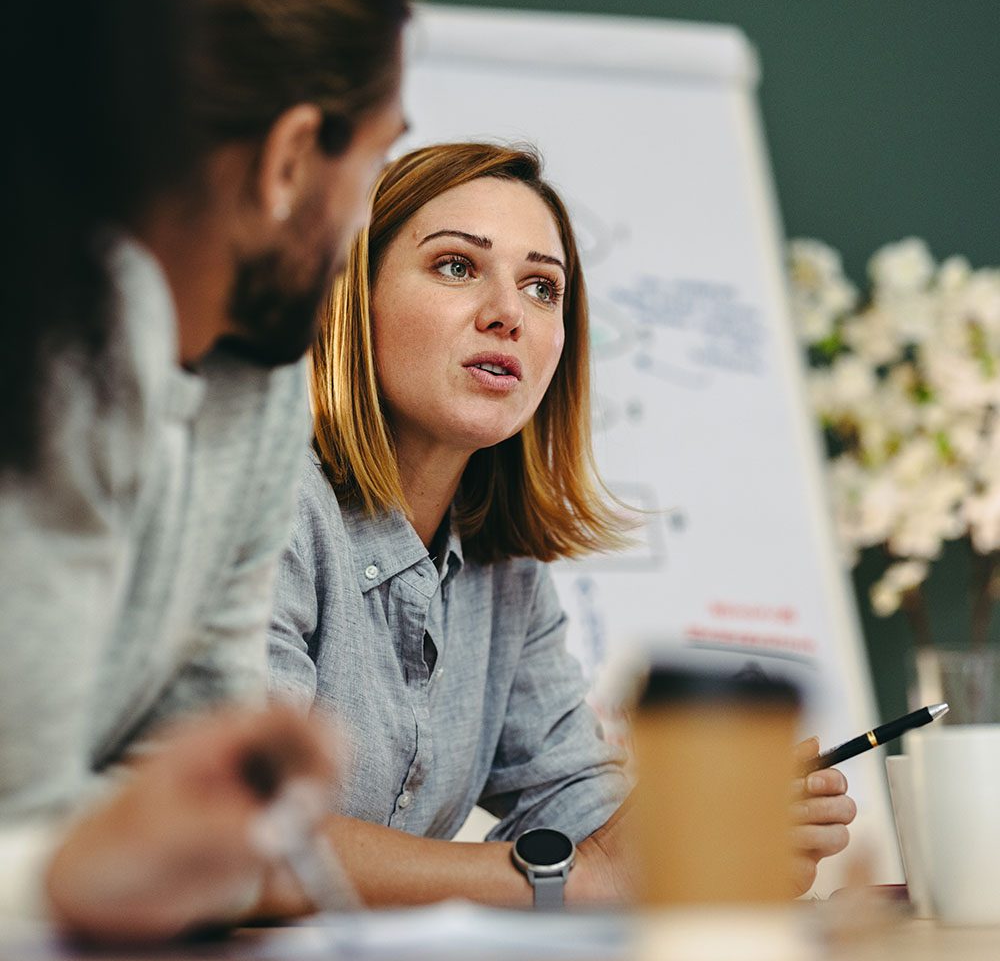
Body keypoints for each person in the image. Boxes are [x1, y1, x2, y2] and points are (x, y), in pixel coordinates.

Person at [268, 142, 856, 906]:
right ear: (353, 296)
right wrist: (589, 875)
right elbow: (242, 840)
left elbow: (577, 809)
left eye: (543, 288)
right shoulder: (266, 508)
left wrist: (709, 844)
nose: (508, 314)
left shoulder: (501, 568)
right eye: (455, 266)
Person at [0, 0, 409, 941]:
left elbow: (213, 818)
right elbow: (44, 821)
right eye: (375, 168)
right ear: (290, 158)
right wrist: (75, 870)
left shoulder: (263, 383)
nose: (360, 230)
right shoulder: (53, 354)